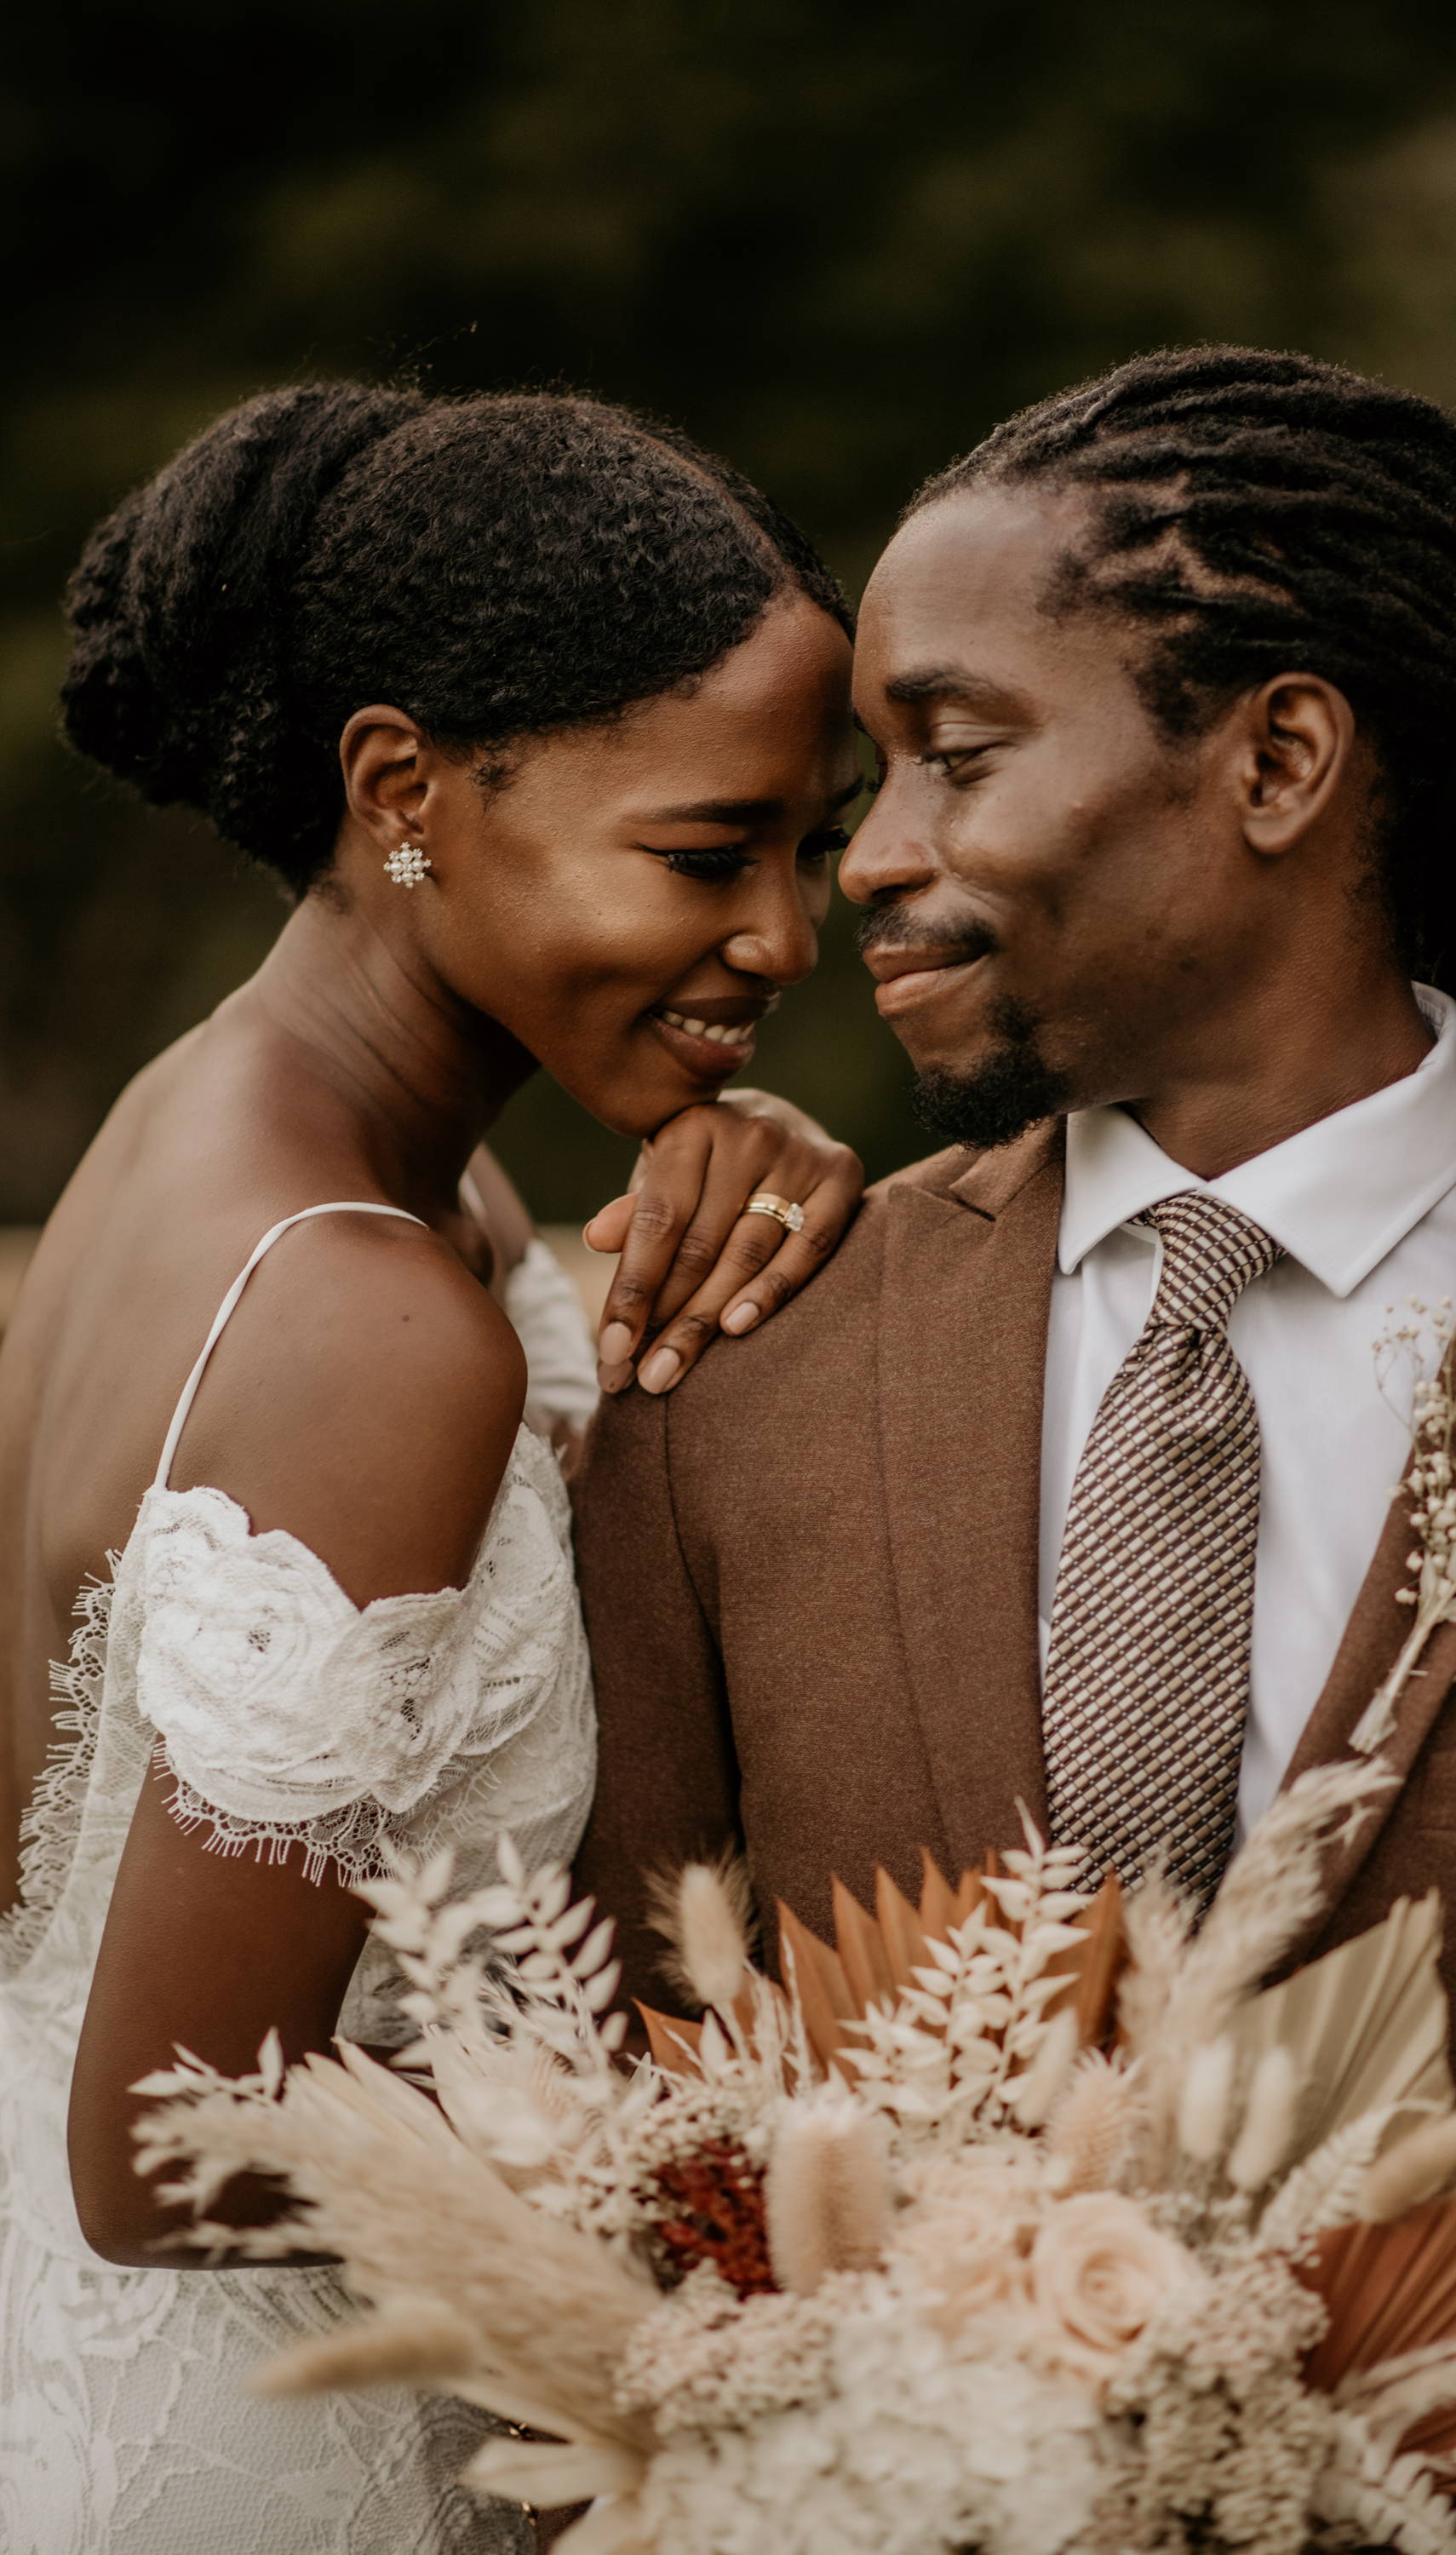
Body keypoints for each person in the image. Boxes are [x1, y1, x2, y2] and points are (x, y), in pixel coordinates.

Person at [573, 346, 1456, 2546]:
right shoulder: (733, 1364)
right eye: (860, 788)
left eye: (953, 759)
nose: (867, 868)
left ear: (1278, 755)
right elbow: (607, 2140)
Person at [0, 381, 863, 2553]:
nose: (787, 936)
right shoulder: (370, 1311)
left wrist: (737, 1160)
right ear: (404, 791)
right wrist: (796, 2185)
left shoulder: (206, 1146)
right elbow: (171, 2143)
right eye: (705, 851)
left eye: (810, 845)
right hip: (253, 2445)